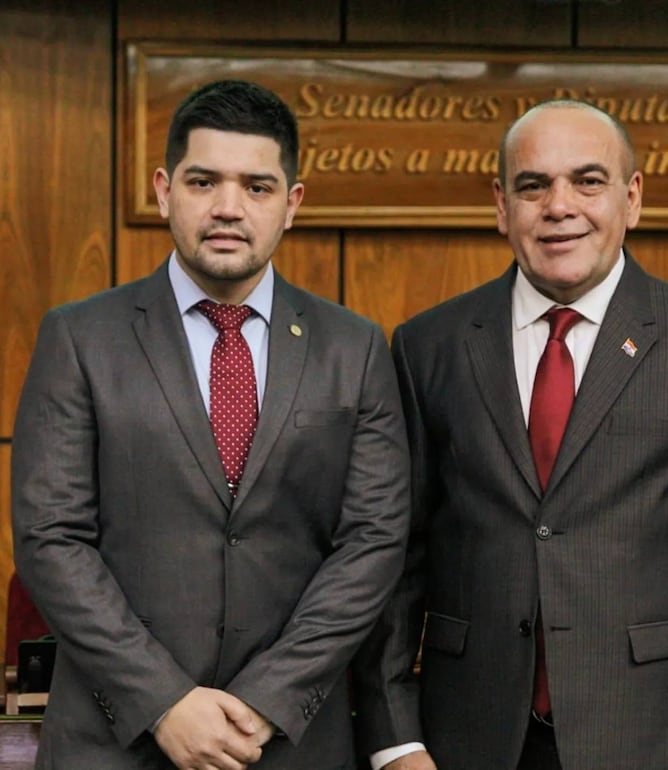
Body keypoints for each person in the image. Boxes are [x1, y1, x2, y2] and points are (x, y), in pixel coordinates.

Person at [352, 99, 668, 770]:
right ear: (500, 204)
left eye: (588, 180)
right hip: (465, 741)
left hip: (658, 741)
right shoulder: (429, 346)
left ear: (631, 198)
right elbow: (391, 558)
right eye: (533, 185)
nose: (559, 205)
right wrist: (397, 741)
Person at [12, 79, 410, 770]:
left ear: (293, 204)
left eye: (257, 187)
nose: (228, 207)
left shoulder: (356, 348)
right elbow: (51, 538)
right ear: (166, 191)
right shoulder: (80, 339)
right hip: (115, 741)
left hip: (288, 744)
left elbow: (371, 545)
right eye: (204, 181)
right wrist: (164, 700)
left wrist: (266, 700)